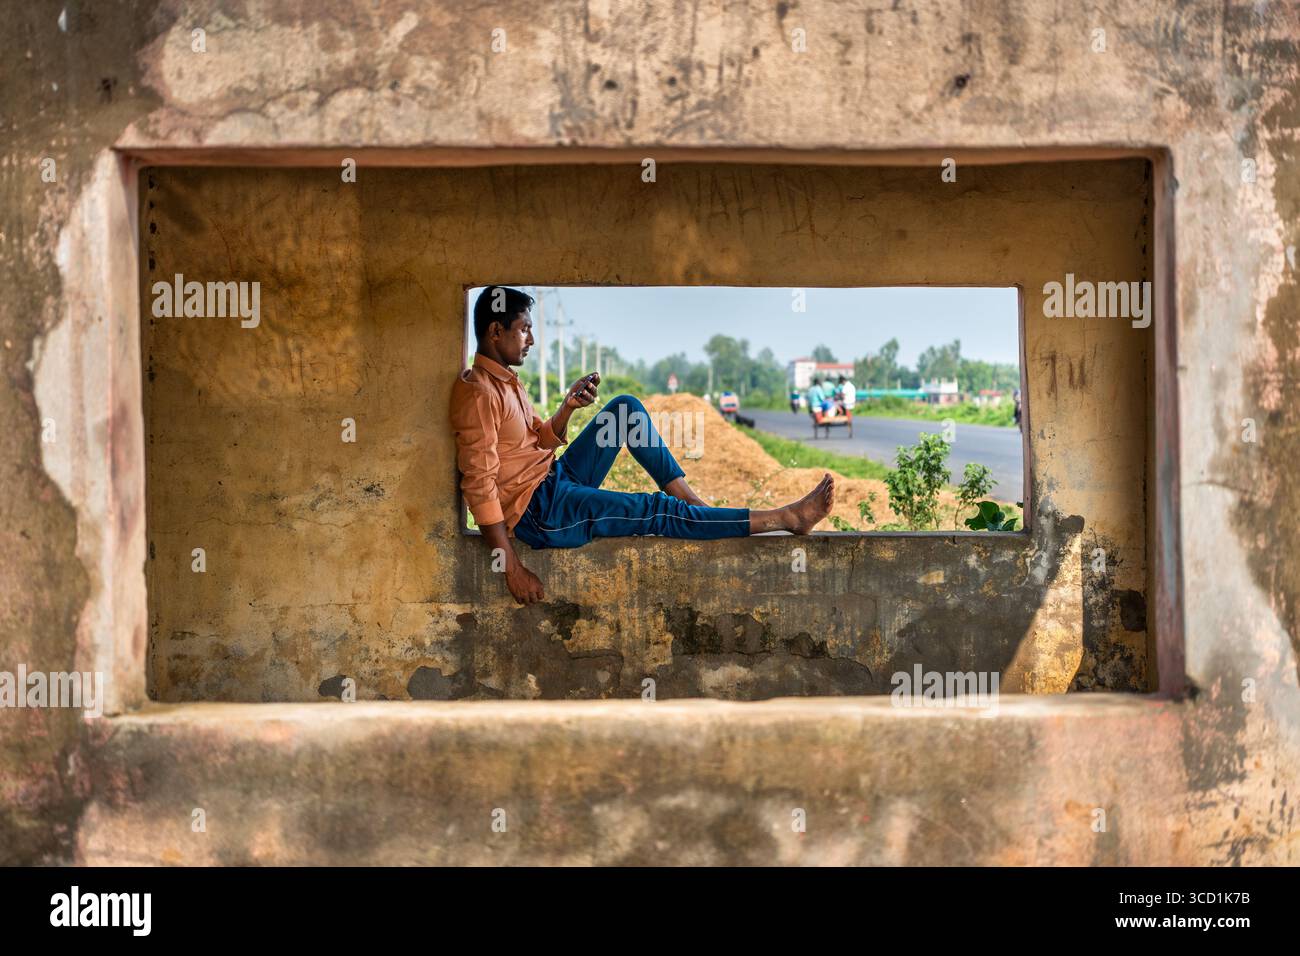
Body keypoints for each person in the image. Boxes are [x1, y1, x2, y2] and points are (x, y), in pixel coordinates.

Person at [450, 287, 836, 604]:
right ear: (496, 332)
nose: (531, 339)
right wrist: (511, 569)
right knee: (654, 511)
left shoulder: (508, 381)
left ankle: (696, 508)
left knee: (625, 411)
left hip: (553, 476)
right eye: (524, 329)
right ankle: (785, 518)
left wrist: (567, 407)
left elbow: (538, 441)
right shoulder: (478, 393)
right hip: (540, 511)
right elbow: (478, 484)